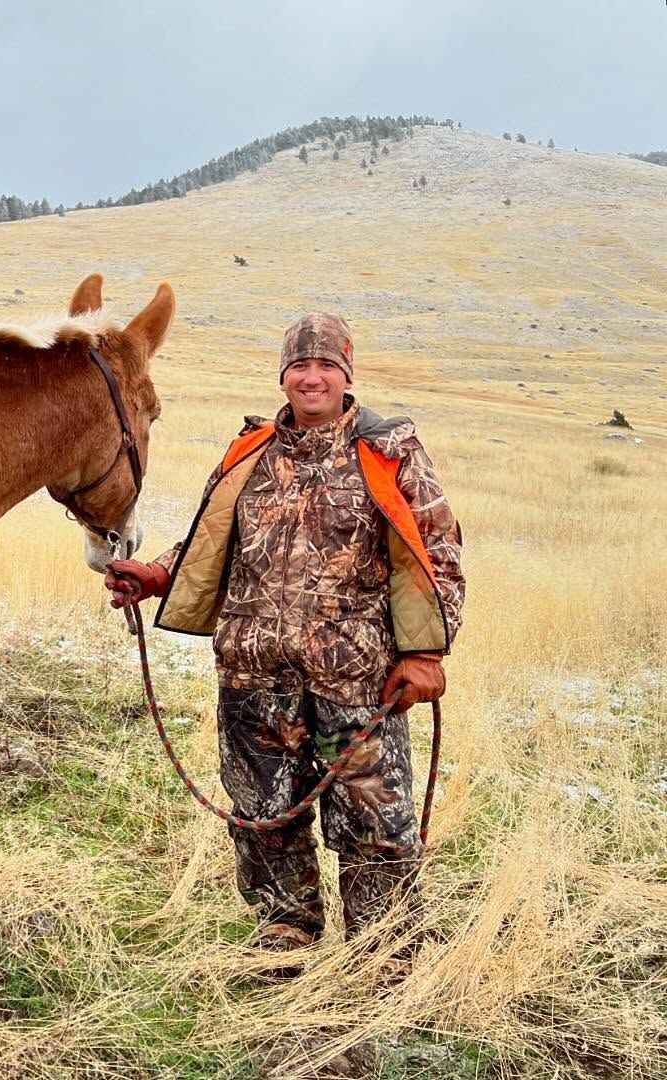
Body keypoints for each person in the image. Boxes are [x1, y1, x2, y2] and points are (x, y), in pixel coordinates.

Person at [105, 312, 464, 969]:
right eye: (299, 365)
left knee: (375, 825)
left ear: (346, 375)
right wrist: (160, 572)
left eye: (326, 364)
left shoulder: (388, 451)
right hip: (254, 671)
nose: (312, 376)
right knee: (262, 812)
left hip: (359, 678)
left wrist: (427, 652)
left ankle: (383, 949)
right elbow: (214, 537)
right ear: (284, 376)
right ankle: (286, 930)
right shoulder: (253, 451)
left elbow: (437, 549)